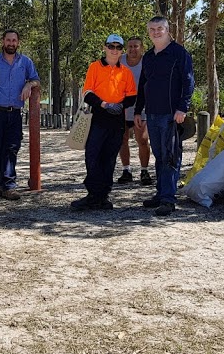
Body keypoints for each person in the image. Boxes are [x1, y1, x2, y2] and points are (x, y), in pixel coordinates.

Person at [133, 16, 195, 216]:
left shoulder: (179, 53)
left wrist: (182, 108)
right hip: (151, 114)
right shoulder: (149, 57)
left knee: (170, 156)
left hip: (171, 114)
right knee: (159, 155)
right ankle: (160, 193)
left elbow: (188, 82)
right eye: (152, 29)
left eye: (160, 28)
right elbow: (143, 85)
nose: (156, 32)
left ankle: (168, 199)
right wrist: (137, 110)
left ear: (168, 30)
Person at [71, 34, 138, 210]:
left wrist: (120, 106)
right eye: (111, 46)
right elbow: (87, 93)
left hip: (117, 121)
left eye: (118, 47)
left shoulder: (126, 72)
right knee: (93, 155)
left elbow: (131, 96)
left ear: (122, 50)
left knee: (109, 158)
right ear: (105, 47)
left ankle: (103, 196)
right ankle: (93, 194)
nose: (114, 50)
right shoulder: (94, 67)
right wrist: (104, 104)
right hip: (98, 118)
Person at [0, 29, 40, 201]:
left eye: (14, 40)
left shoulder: (25, 62)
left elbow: (36, 79)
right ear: (3, 42)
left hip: (15, 114)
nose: (11, 43)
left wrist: (29, 84)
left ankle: (9, 185)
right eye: (8, 40)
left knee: (12, 148)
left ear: (18, 43)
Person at [118, 36, 153, 185]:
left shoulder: (147, 61)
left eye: (136, 46)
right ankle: (126, 170)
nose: (133, 49)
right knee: (122, 139)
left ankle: (144, 170)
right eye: (130, 46)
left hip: (141, 105)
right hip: (122, 106)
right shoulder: (120, 61)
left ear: (142, 48)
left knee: (142, 140)